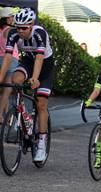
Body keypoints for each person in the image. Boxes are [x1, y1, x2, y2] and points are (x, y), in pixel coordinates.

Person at [0, 8, 54, 162]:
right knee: (16, 80)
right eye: (18, 27)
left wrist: (35, 78)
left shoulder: (40, 33)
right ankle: (23, 114)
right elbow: (8, 57)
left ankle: (42, 144)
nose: (20, 31)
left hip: (45, 66)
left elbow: (39, 58)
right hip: (28, 62)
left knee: (41, 103)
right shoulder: (13, 33)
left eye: (24, 28)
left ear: (31, 25)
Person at [0, 7, 19, 123]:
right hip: (10, 60)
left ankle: (5, 117)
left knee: (3, 90)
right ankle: (0, 114)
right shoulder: (9, 30)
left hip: (0, 59)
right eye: (12, 17)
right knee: (7, 90)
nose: (13, 19)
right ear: (7, 18)